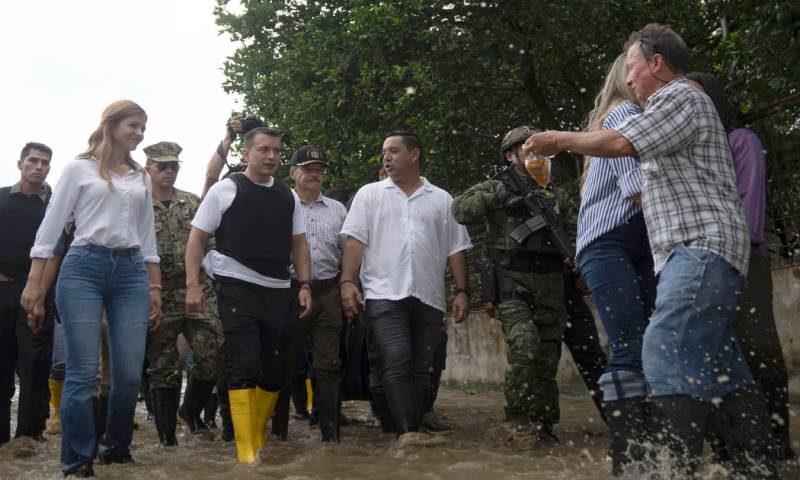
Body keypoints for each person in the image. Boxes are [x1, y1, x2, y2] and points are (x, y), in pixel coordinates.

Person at [523, 24, 774, 477]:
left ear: (656, 63)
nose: (629, 79)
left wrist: (556, 139)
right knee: (722, 363)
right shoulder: (668, 110)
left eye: (633, 68)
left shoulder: (677, 95)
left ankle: (662, 468)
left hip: (700, 245)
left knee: (661, 345)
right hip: (700, 248)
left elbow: (620, 143)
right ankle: (754, 464)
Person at [22, 100, 163, 477]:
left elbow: (147, 236)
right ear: (112, 125)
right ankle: (77, 460)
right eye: (133, 125)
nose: (139, 133)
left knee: (130, 374)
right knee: (82, 373)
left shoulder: (141, 177)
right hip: (83, 267)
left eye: (143, 127)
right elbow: (50, 230)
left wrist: (155, 286)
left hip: (132, 271)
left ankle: (116, 447)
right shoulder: (78, 169)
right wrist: (34, 285)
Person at [185, 126, 312, 463]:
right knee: (245, 363)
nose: (271, 156)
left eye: (276, 151)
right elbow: (197, 238)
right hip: (235, 285)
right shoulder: (226, 190)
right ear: (246, 154)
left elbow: (299, 243)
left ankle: (256, 435)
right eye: (263, 150)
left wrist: (304, 285)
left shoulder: (288, 195)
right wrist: (193, 284)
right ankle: (246, 455)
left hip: (278, 289)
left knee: (274, 370)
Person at [687, 71, 795, 461]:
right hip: (702, 263)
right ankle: (735, 444)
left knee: (757, 345)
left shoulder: (741, 141)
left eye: (696, 95)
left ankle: (777, 440)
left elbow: (749, 212)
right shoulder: (691, 155)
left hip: (744, 257)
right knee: (716, 351)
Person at [340, 131, 471, 441]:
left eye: (394, 151)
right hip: (384, 294)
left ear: (415, 155)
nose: (386, 156)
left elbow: (456, 248)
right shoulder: (369, 194)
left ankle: (406, 423)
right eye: (384, 151)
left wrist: (463, 290)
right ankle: (407, 434)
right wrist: (347, 281)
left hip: (429, 295)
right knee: (397, 356)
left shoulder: (442, 199)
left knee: (425, 367)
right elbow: (355, 242)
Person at [452, 126, 575, 442]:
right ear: (511, 155)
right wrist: (500, 196)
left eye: (538, 146)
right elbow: (461, 211)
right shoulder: (495, 187)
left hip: (550, 283)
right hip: (512, 281)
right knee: (525, 346)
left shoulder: (557, 194)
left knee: (548, 358)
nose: (534, 152)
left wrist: (574, 256)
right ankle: (518, 422)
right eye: (525, 146)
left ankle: (546, 425)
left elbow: (576, 233)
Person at [573, 53, 656, 475]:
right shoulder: (624, 113)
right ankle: (632, 460)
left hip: (629, 241)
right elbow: (637, 186)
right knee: (630, 344)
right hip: (608, 242)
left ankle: (649, 451)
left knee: (646, 344)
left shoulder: (627, 118)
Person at [142, 141, 224, 447]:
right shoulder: (137, 204)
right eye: (162, 166)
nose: (168, 171)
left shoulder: (191, 203)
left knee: (213, 351)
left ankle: (188, 413)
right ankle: (167, 440)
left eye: (174, 166)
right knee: (163, 365)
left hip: (197, 289)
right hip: (158, 294)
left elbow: (211, 241)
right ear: (148, 167)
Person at [270, 145, 348, 443]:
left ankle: (332, 438)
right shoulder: (279, 206)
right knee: (285, 364)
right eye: (308, 168)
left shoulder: (338, 210)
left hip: (328, 293)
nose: (316, 173)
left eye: (319, 169)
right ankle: (279, 435)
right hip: (288, 293)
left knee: (329, 364)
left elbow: (346, 255)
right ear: (292, 173)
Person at [0, 142, 53, 451]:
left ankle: (29, 437)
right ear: (20, 164)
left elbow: (59, 251)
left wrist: (42, 296)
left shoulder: (54, 207)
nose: (39, 167)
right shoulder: (2, 199)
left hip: (38, 292)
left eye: (45, 163)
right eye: (33, 161)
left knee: (34, 363)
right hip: (1, 287)